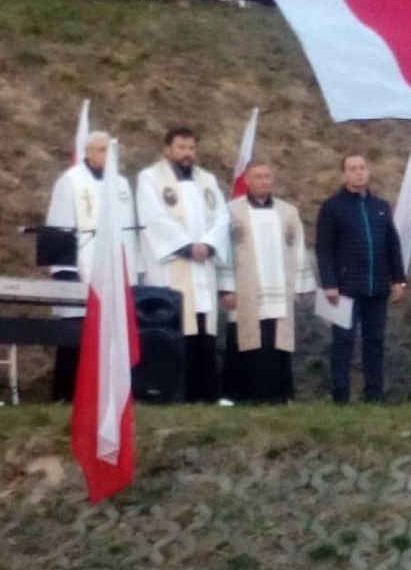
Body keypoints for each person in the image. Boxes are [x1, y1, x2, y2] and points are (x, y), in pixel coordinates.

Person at [137, 126, 230, 403]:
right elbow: (153, 217)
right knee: (178, 327)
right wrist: (187, 246)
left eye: (191, 148)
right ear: (168, 149)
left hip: (203, 265)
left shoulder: (207, 180)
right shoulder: (150, 178)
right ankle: (178, 393)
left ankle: (206, 394)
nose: (187, 153)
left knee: (203, 328)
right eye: (181, 147)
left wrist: (209, 245)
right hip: (173, 265)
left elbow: (222, 218)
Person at [44, 131, 139, 401]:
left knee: (110, 340)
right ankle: (66, 396)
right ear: (88, 152)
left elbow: (129, 232)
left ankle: (106, 398)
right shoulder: (71, 182)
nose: (106, 156)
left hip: (113, 273)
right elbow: (60, 225)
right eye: (101, 150)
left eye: (110, 151)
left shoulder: (120, 184)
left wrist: (131, 274)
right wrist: (65, 272)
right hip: (80, 272)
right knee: (75, 338)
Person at [218, 161, 315, 403]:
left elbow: (297, 248)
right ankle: (242, 395)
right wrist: (226, 286)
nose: (264, 181)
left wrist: (299, 286)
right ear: (247, 181)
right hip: (246, 289)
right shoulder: (232, 211)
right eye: (258, 177)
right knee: (246, 340)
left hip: (279, 289)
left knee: (276, 342)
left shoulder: (287, 212)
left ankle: (277, 395)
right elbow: (225, 250)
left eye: (267, 176)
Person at [316, 153, 406, 405]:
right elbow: (324, 248)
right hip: (344, 288)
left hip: (376, 287)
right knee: (343, 341)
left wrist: (399, 279)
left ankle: (374, 394)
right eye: (352, 168)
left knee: (375, 342)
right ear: (344, 174)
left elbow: (392, 244)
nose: (358, 173)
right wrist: (329, 282)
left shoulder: (380, 206)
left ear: (368, 171)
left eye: (362, 168)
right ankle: (341, 395)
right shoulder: (332, 207)